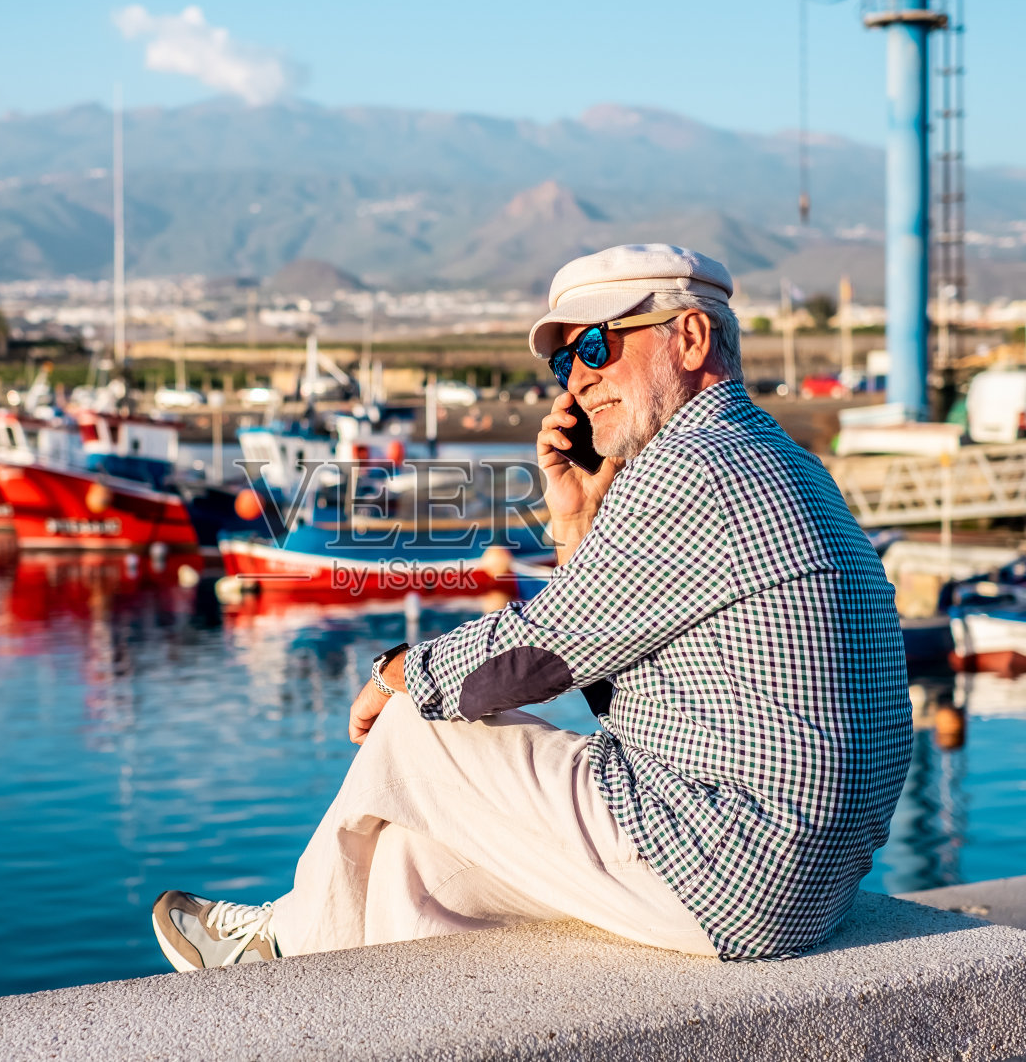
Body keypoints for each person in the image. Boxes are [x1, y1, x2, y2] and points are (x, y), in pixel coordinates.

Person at [151, 244, 912, 970]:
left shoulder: (691, 466)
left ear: (690, 336)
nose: (574, 384)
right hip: (801, 880)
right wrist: (578, 518)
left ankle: (277, 942)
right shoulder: (781, 459)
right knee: (415, 861)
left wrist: (396, 673)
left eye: (595, 347)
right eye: (561, 361)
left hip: (728, 864)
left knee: (419, 723)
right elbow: (609, 651)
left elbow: (539, 652)